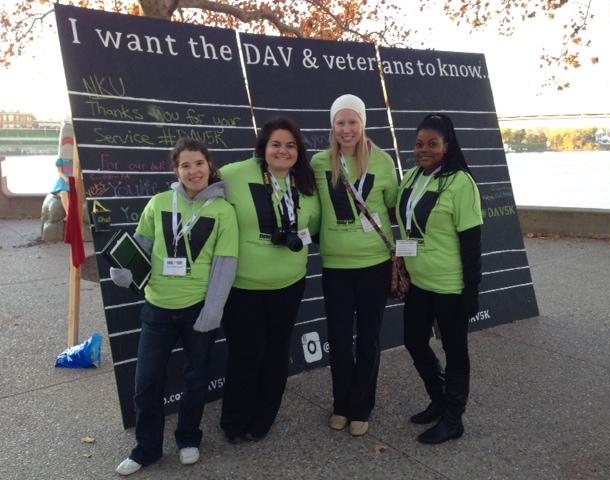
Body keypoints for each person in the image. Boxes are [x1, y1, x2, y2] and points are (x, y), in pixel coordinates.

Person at [110, 138, 238, 475]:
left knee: (195, 379)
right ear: (176, 170)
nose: (193, 171)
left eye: (198, 163)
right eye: (185, 165)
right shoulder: (158, 203)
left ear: (209, 166)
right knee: (146, 382)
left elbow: (225, 265)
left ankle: (188, 438)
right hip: (157, 309)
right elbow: (141, 246)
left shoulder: (224, 211)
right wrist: (125, 272)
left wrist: (213, 312)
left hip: (198, 309)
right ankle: (146, 449)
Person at [219, 117, 320, 442]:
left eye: (291, 145)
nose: (283, 151)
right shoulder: (233, 174)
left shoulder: (305, 183)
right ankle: (234, 419)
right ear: (263, 147)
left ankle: (263, 418)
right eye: (276, 144)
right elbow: (200, 198)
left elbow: (314, 226)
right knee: (244, 354)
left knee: (277, 352)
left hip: (288, 285)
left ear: (298, 151)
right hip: (242, 288)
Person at [311, 94, 398, 436]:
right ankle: (341, 403)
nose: (346, 129)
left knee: (369, 338)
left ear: (363, 124)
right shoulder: (319, 163)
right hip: (335, 265)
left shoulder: (383, 161)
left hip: (374, 263)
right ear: (332, 125)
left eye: (352, 122)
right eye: (340, 122)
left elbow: (395, 207)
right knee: (339, 337)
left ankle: (362, 405)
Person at [395, 113, 483, 444]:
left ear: (447, 146)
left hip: (451, 286)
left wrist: (470, 293)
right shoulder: (412, 177)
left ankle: (453, 418)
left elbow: (472, 244)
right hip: (420, 282)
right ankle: (439, 397)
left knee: (455, 350)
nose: (424, 150)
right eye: (419, 144)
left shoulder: (461, 183)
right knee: (413, 340)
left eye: (433, 143)